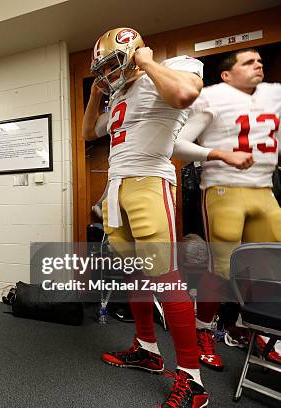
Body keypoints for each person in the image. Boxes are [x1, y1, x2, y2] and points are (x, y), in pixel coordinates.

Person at [82, 28, 208, 407]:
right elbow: (89, 131)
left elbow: (185, 94)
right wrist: (94, 93)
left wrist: (147, 62)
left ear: (134, 52)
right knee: (135, 275)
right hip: (117, 188)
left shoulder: (170, 69)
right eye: (100, 68)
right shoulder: (117, 92)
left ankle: (192, 379)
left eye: (112, 63)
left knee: (167, 280)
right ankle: (147, 349)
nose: (107, 73)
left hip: (150, 183)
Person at [173, 48, 281, 368]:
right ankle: (203, 329)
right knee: (222, 269)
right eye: (248, 62)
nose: (258, 64)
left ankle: (253, 328)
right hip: (224, 188)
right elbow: (178, 144)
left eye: (260, 60)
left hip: (263, 189)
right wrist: (220, 153)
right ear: (226, 74)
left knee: (269, 266)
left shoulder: (273, 96)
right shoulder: (212, 97)